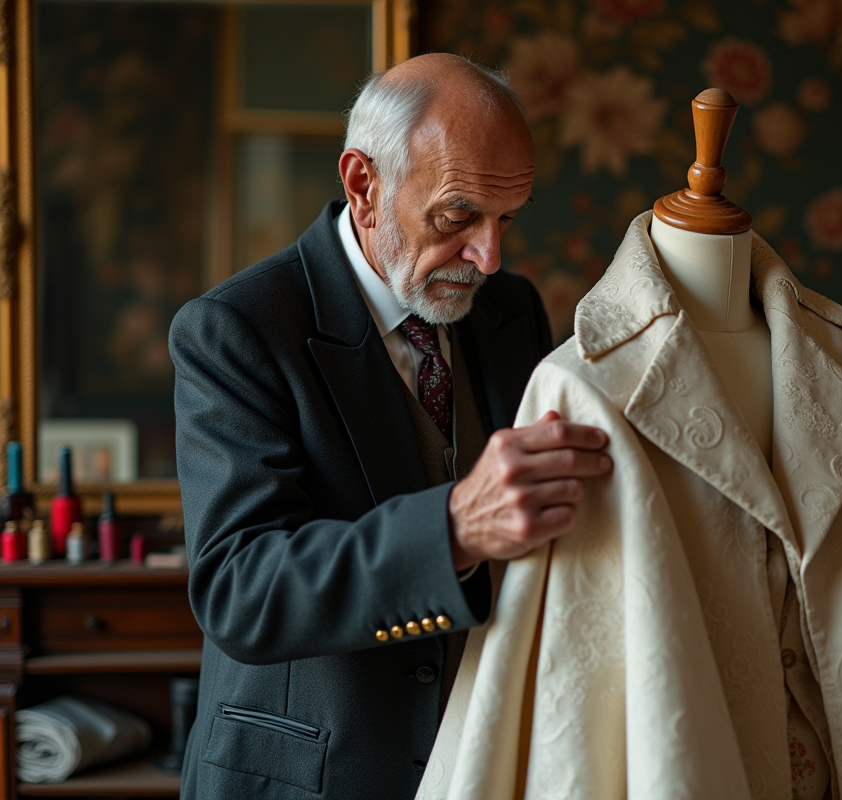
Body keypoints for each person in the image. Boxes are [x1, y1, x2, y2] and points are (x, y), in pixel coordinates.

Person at [170, 54, 612, 800]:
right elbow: (240, 591)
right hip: (305, 779)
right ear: (363, 185)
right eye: (456, 216)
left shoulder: (513, 313)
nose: (488, 256)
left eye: (505, 220)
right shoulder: (235, 330)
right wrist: (454, 529)